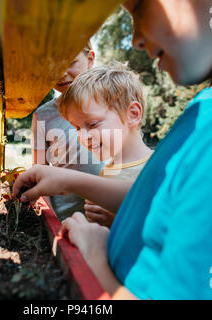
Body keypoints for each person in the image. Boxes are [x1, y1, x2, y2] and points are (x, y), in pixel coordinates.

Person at [14, 0, 212, 299]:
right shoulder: (210, 108)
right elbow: (159, 200)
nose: (136, 38)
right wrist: (67, 180)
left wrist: (95, 257)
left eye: (139, 6)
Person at [59, 65, 153, 227]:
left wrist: (115, 221)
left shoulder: (156, 168)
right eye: (78, 128)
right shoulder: (106, 171)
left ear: (133, 114)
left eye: (93, 124)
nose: (83, 136)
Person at [31, 42, 104, 221]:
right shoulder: (42, 116)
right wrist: (49, 222)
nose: (61, 73)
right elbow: (40, 171)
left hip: (110, 212)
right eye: (52, 67)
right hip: (66, 220)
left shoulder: (111, 104)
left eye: (70, 62)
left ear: (90, 59)